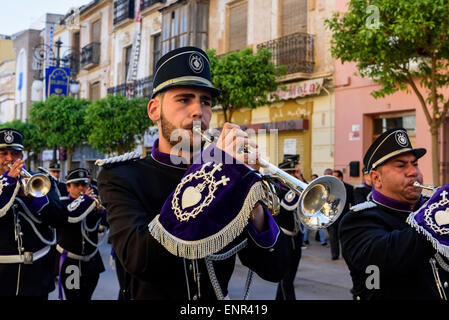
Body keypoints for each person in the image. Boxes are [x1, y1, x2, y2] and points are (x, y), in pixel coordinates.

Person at [97, 46, 288, 300]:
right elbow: (141, 260)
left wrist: (253, 201)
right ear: (154, 109)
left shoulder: (227, 175)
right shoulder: (121, 176)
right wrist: (213, 167)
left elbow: (275, 269)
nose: (199, 111)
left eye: (206, 101)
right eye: (184, 99)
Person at [340, 127, 449, 300]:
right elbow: (386, 257)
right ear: (376, 179)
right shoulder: (358, 220)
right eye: (401, 165)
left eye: (415, 164)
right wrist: (437, 216)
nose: (414, 172)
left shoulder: (429, 206)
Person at [0, 128, 66, 297]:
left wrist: (34, 198)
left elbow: (59, 219)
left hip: (37, 274)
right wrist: (8, 185)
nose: (9, 159)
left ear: (21, 156)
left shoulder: (40, 179)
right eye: (3, 153)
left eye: (14, 153)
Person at [56, 168, 108, 300]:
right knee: (73, 298)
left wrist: (102, 209)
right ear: (68, 188)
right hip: (71, 263)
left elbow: (108, 221)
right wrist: (84, 201)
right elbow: (68, 216)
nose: (81, 188)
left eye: (84, 184)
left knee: (86, 297)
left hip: (92, 261)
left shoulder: (93, 203)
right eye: (76, 185)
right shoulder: (63, 204)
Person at [274, 155, 303, 300]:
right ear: (287, 174)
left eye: (298, 172)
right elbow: (287, 206)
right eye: (295, 173)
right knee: (286, 280)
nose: (298, 175)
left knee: (289, 278)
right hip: (283, 239)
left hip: (296, 238)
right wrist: (299, 187)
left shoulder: (296, 189)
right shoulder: (276, 188)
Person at [328, 169, 353, 260]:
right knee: (332, 237)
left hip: (344, 216)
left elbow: (353, 203)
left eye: (335, 176)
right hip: (332, 216)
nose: (334, 178)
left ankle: (345, 254)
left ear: (341, 177)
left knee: (344, 236)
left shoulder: (349, 188)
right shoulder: (330, 188)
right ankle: (334, 254)